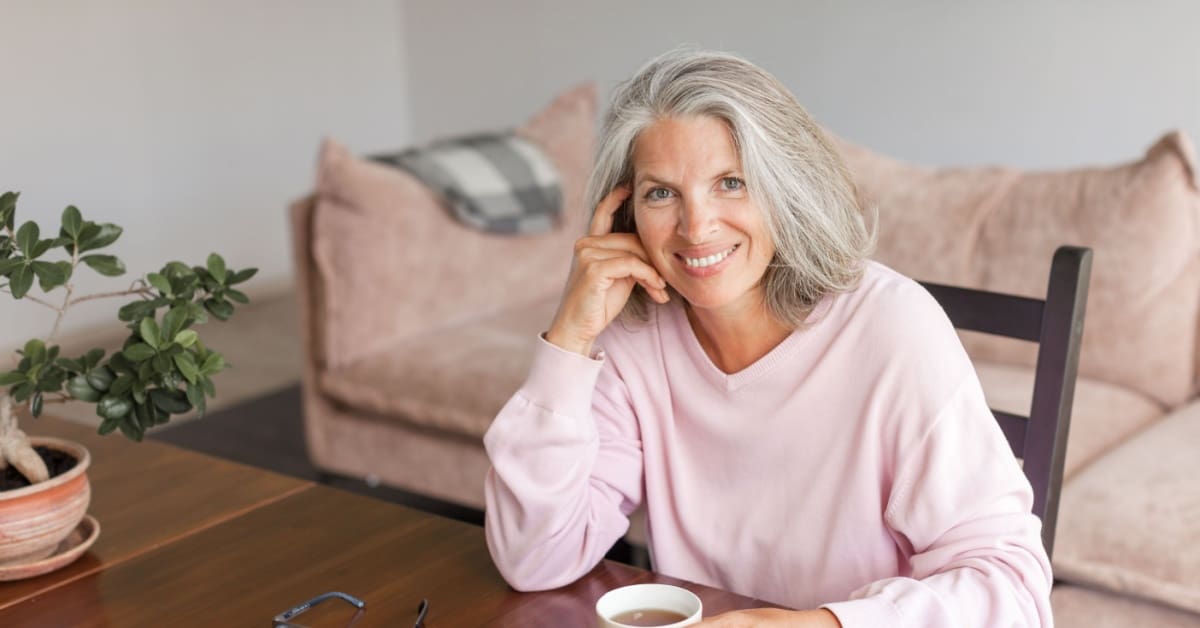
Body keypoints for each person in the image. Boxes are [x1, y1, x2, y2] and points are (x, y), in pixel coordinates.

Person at [483, 49, 1053, 627]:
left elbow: (1012, 594)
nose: (696, 226)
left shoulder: (892, 330)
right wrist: (569, 340)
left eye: (731, 182)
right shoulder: (634, 334)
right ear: (625, 211)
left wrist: (817, 624)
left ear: (785, 187)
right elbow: (535, 560)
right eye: (661, 193)